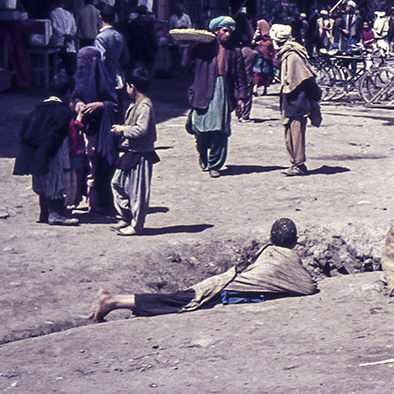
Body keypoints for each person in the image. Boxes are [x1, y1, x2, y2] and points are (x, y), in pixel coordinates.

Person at [89, 218, 318, 321]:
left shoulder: (267, 251)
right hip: (224, 291)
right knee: (174, 302)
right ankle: (113, 302)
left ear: (270, 237)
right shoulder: (288, 258)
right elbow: (307, 287)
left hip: (224, 282)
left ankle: (113, 298)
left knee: (175, 298)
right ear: (295, 241)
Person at [183, 16, 250, 178]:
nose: (228, 34)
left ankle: (215, 164)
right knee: (200, 129)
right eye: (225, 31)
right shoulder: (203, 47)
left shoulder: (235, 51)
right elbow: (185, 63)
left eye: (230, 31)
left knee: (219, 130)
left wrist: (241, 97)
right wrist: (191, 45)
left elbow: (241, 76)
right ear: (216, 31)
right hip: (202, 90)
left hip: (223, 93)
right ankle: (203, 154)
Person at [14, 73, 79, 225]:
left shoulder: (37, 109)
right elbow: (55, 138)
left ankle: (44, 213)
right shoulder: (63, 112)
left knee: (42, 185)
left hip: (35, 154)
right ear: (68, 92)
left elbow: (24, 132)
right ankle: (55, 214)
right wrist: (49, 155)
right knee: (55, 183)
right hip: (51, 155)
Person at [109, 68, 157, 236]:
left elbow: (141, 130)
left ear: (132, 87)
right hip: (130, 150)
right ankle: (125, 216)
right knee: (117, 183)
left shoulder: (144, 106)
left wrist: (123, 129)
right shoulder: (135, 104)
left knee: (138, 191)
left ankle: (137, 225)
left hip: (141, 152)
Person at [73, 46, 120, 215]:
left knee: (94, 163)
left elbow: (114, 104)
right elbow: (73, 95)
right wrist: (78, 104)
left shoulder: (105, 80)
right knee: (78, 163)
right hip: (79, 128)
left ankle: (95, 201)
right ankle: (75, 198)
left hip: (98, 130)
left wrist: (100, 105)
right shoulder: (77, 78)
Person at [271, 24, 322, 175]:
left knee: (296, 134)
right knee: (289, 134)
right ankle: (295, 163)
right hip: (290, 99)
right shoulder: (287, 53)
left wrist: (315, 98)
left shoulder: (293, 56)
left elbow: (306, 79)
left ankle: (299, 164)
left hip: (298, 101)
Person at [94, 4, 129, 104]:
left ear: (100, 17)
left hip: (105, 79)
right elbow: (125, 58)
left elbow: (100, 61)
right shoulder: (120, 35)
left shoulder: (100, 38)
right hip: (119, 76)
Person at [49, 0, 78, 74]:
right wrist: (69, 35)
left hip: (57, 43)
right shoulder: (69, 14)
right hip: (69, 44)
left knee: (53, 65)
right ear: (62, 4)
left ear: (53, 4)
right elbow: (74, 29)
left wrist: (64, 35)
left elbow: (54, 27)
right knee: (71, 69)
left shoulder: (52, 13)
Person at [252, 20, 275, 96]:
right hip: (259, 57)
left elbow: (268, 46)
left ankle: (264, 89)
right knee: (257, 73)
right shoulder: (258, 34)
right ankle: (255, 88)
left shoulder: (268, 38)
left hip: (265, 58)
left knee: (265, 73)